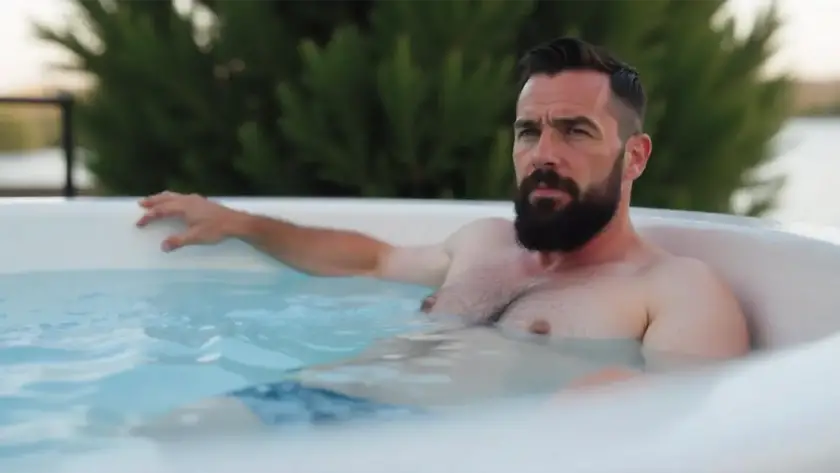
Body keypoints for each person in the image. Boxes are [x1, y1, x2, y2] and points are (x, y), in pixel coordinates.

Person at [132, 37, 750, 435]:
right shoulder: (483, 242)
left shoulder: (674, 287)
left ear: (634, 156)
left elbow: (699, 417)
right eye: (528, 131)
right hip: (312, 401)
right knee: (153, 439)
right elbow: (370, 260)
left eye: (576, 132)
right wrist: (241, 223)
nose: (543, 153)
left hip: (439, 446)